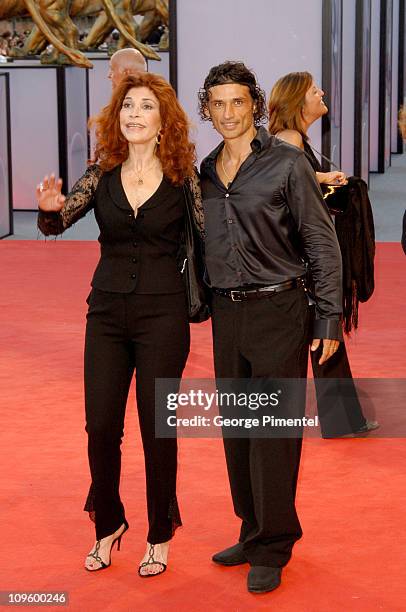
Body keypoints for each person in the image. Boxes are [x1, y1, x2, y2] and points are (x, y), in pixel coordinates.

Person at [37, 72, 203, 577]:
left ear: (163, 122)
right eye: (127, 106)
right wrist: (48, 211)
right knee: (101, 426)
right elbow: (58, 221)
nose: (133, 114)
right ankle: (108, 523)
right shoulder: (102, 171)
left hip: (164, 314)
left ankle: (159, 533)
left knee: (159, 429)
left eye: (145, 107)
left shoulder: (183, 177)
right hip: (106, 313)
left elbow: (211, 239)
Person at [198, 61, 343, 594]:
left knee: (274, 435)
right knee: (238, 432)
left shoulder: (286, 163)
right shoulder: (205, 171)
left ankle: (275, 544)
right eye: (219, 103)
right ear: (207, 110)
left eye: (238, 102)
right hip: (227, 315)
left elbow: (321, 243)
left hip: (281, 310)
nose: (229, 112)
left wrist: (328, 316)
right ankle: (252, 528)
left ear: (254, 105)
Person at [268, 71, 379, 438]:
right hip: (302, 255)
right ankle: (341, 419)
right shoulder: (289, 139)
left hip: (302, 253)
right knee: (322, 332)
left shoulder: (294, 139)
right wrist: (324, 179)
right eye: (316, 90)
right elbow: (286, 177)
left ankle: (343, 418)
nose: (323, 94)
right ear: (299, 101)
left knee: (324, 334)